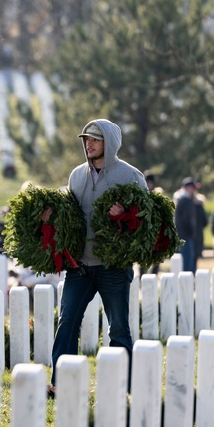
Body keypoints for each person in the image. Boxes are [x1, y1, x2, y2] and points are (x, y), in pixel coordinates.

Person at [47, 119, 147, 397]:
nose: (88, 143)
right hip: (79, 266)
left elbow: (146, 221)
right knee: (66, 322)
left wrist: (124, 215)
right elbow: (70, 218)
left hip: (113, 267)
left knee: (119, 327)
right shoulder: (76, 175)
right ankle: (61, 383)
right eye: (86, 138)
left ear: (110, 143)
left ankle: (123, 388)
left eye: (95, 139)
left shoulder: (130, 176)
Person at [174, 177, 200, 273]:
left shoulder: (181, 200)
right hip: (186, 236)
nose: (194, 191)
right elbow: (187, 220)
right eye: (193, 188)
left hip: (182, 236)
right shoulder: (186, 201)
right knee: (187, 265)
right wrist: (191, 232)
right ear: (187, 188)